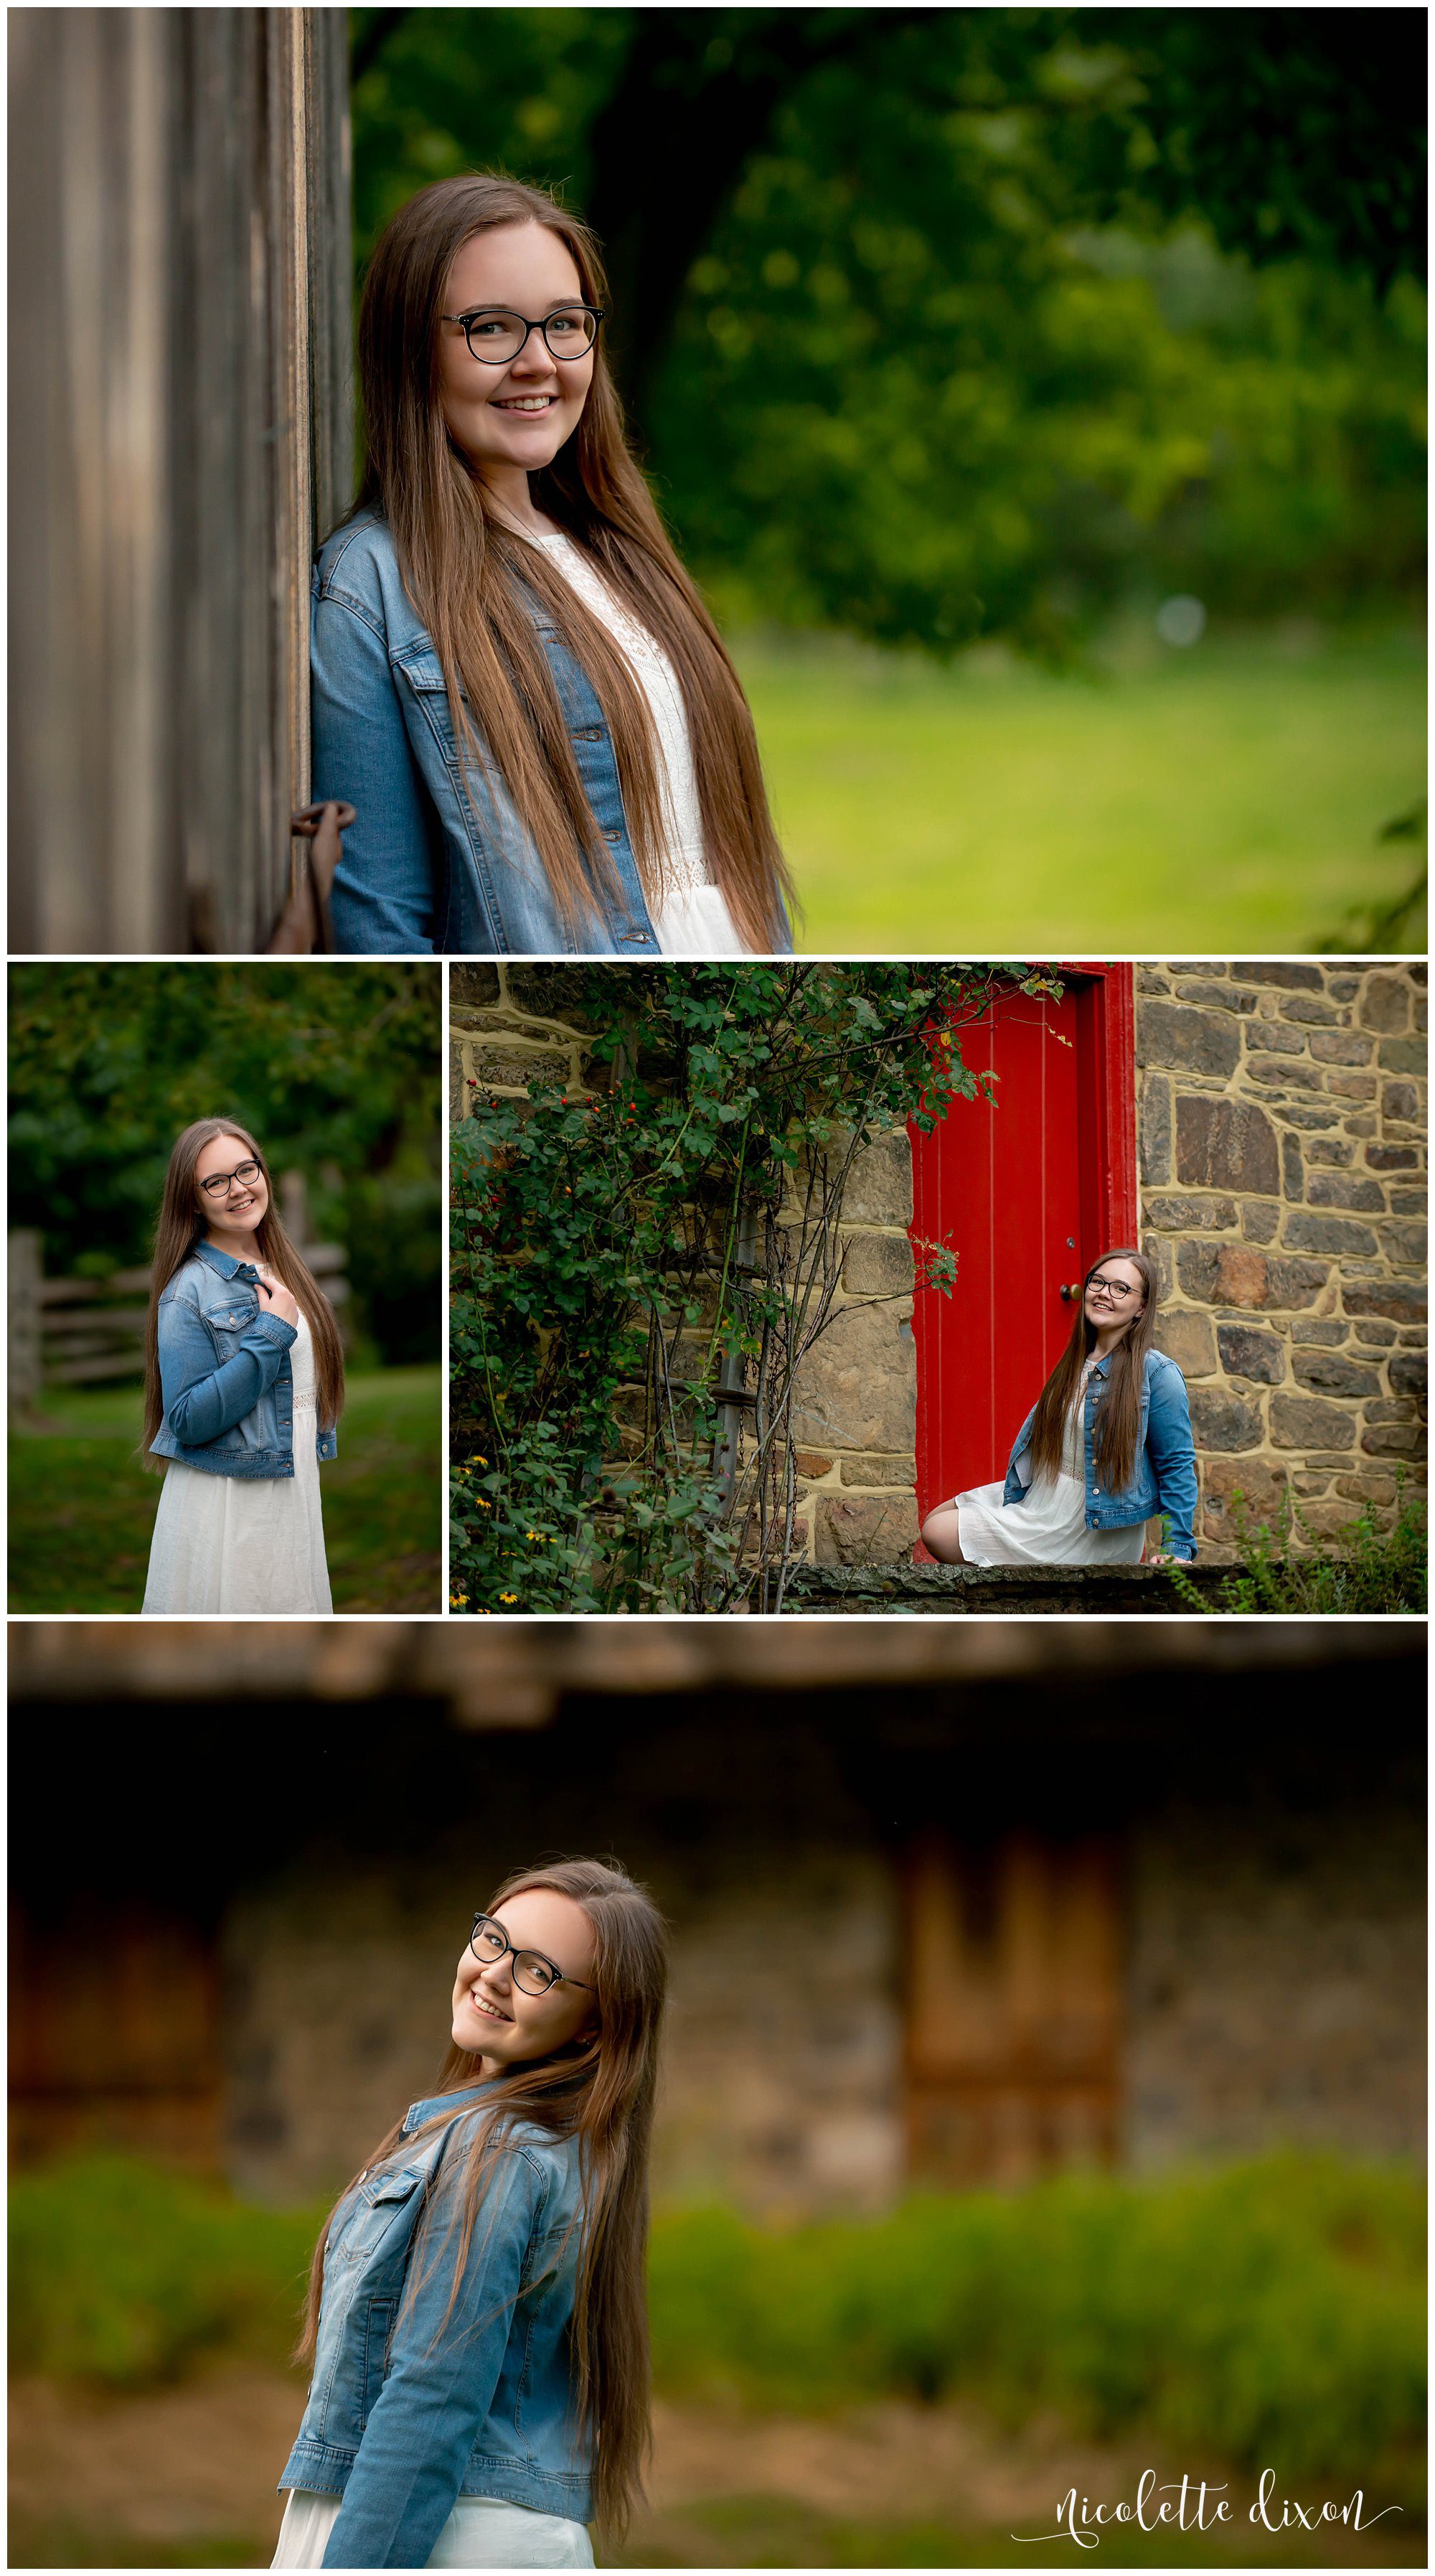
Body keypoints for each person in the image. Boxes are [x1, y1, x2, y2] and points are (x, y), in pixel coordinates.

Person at [313, 173, 795, 960]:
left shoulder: (618, 546)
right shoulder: (370, 589)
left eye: (564, 324)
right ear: (411, 349)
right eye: (491, 328)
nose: (538, 362)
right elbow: (377, 932)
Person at [273, 1858, 669, 2570]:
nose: (492, 1973)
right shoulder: (518, 2143)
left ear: (590, 2028)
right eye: (492, 1940)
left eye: (538, 1971)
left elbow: (430, 2398)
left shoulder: (498, 2154)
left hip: (445, 2537)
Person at [140, 1118, 343, 1613]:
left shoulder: (284, 1266)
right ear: (192, 1200)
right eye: (216, 1181)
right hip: (229, 1503)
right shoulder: (188, 1292)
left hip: (288, 1494)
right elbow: (186, 1418)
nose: (238, 1189)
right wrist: (270, 1334)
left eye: (246, 1170)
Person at [919, 1249, 1198, 1568]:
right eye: (1098, 1282)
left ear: (1141, 1308)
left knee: (937, 1531)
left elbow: (1177, 1464)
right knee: (940, 1515)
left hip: (1090, 1523)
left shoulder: (1157, 1373)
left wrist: (1178, 1548)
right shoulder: (1076, 1363)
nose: (1104, 1293)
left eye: (1121, 1288)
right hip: (1048, 1495)